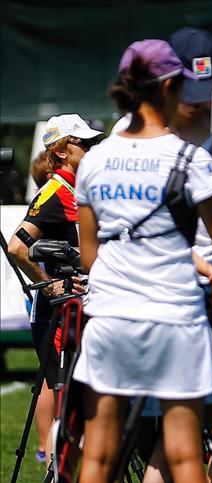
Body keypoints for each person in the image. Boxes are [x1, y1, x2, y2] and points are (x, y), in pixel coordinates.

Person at [72, 39, 212, 483]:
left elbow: (90, 256)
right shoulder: (189, 159)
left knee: (97, 455)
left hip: (110, 317)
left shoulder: (93, 159)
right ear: (171, 86)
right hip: (176, 319)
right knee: (185, 454)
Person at [7, 114, 102, 465]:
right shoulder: (56, 191)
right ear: (62, 152)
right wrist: (50, 284)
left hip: (83, 307)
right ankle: (55, 472)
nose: (91, 149)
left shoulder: (78, 189)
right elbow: (18, 246)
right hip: (60, 314)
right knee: (70, 408)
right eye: (84, 143)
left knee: (87, 405)